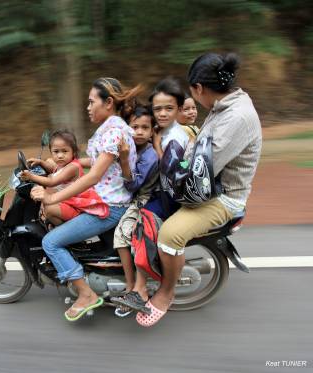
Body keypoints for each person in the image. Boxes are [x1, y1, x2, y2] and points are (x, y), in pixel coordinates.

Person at [136, 52, 262, 327]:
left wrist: (169, 162)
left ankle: (166, 293)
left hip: (222, 197)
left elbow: (199, 171)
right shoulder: (225, 106)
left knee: (169, 235)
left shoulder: (236, 118)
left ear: (199, 89)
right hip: (205, 187)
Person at [30, 77, 141, 321]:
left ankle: (85, 294)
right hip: (102, 201)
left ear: (108, 102)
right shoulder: (113, 129)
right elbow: (91, 161)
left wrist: (52, 196)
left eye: (92, 102)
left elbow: (94, 176)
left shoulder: (113, 133)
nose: (88, 107)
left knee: (50, 242)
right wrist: (56, 165)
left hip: (108, 207)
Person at [112, 105, 159, 300]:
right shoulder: (131, 147)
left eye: (144, 128)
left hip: (141, 200)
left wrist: (123, 159)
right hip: (126, 195)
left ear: (151, 132)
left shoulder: (149, 156)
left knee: (121, 235)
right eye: (135, 127)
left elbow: (133, 186)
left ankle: (132, 285)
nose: (139, 131)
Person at [19, 129, 109, 226]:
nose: (60, 155)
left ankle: (64, 232)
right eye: (56, 152)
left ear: (73, 152)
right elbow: (54, 169)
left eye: (64, 151)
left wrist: (31, 176)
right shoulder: (63, 165)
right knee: (47, 205)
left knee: (49, 209)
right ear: (51, 152)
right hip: (69, 202)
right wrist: (41, 162)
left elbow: (52, 181)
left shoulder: (72, 167)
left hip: (77, 207)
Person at [144, 78, 190, 220]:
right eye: (157, 109)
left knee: (136, 219)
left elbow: (174, 171)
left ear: (179, 109)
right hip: (159, 191)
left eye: (169, 108)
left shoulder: (174, 137)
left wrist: (157, 146)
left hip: (168, 198)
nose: (162, 114)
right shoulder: (161, 130)